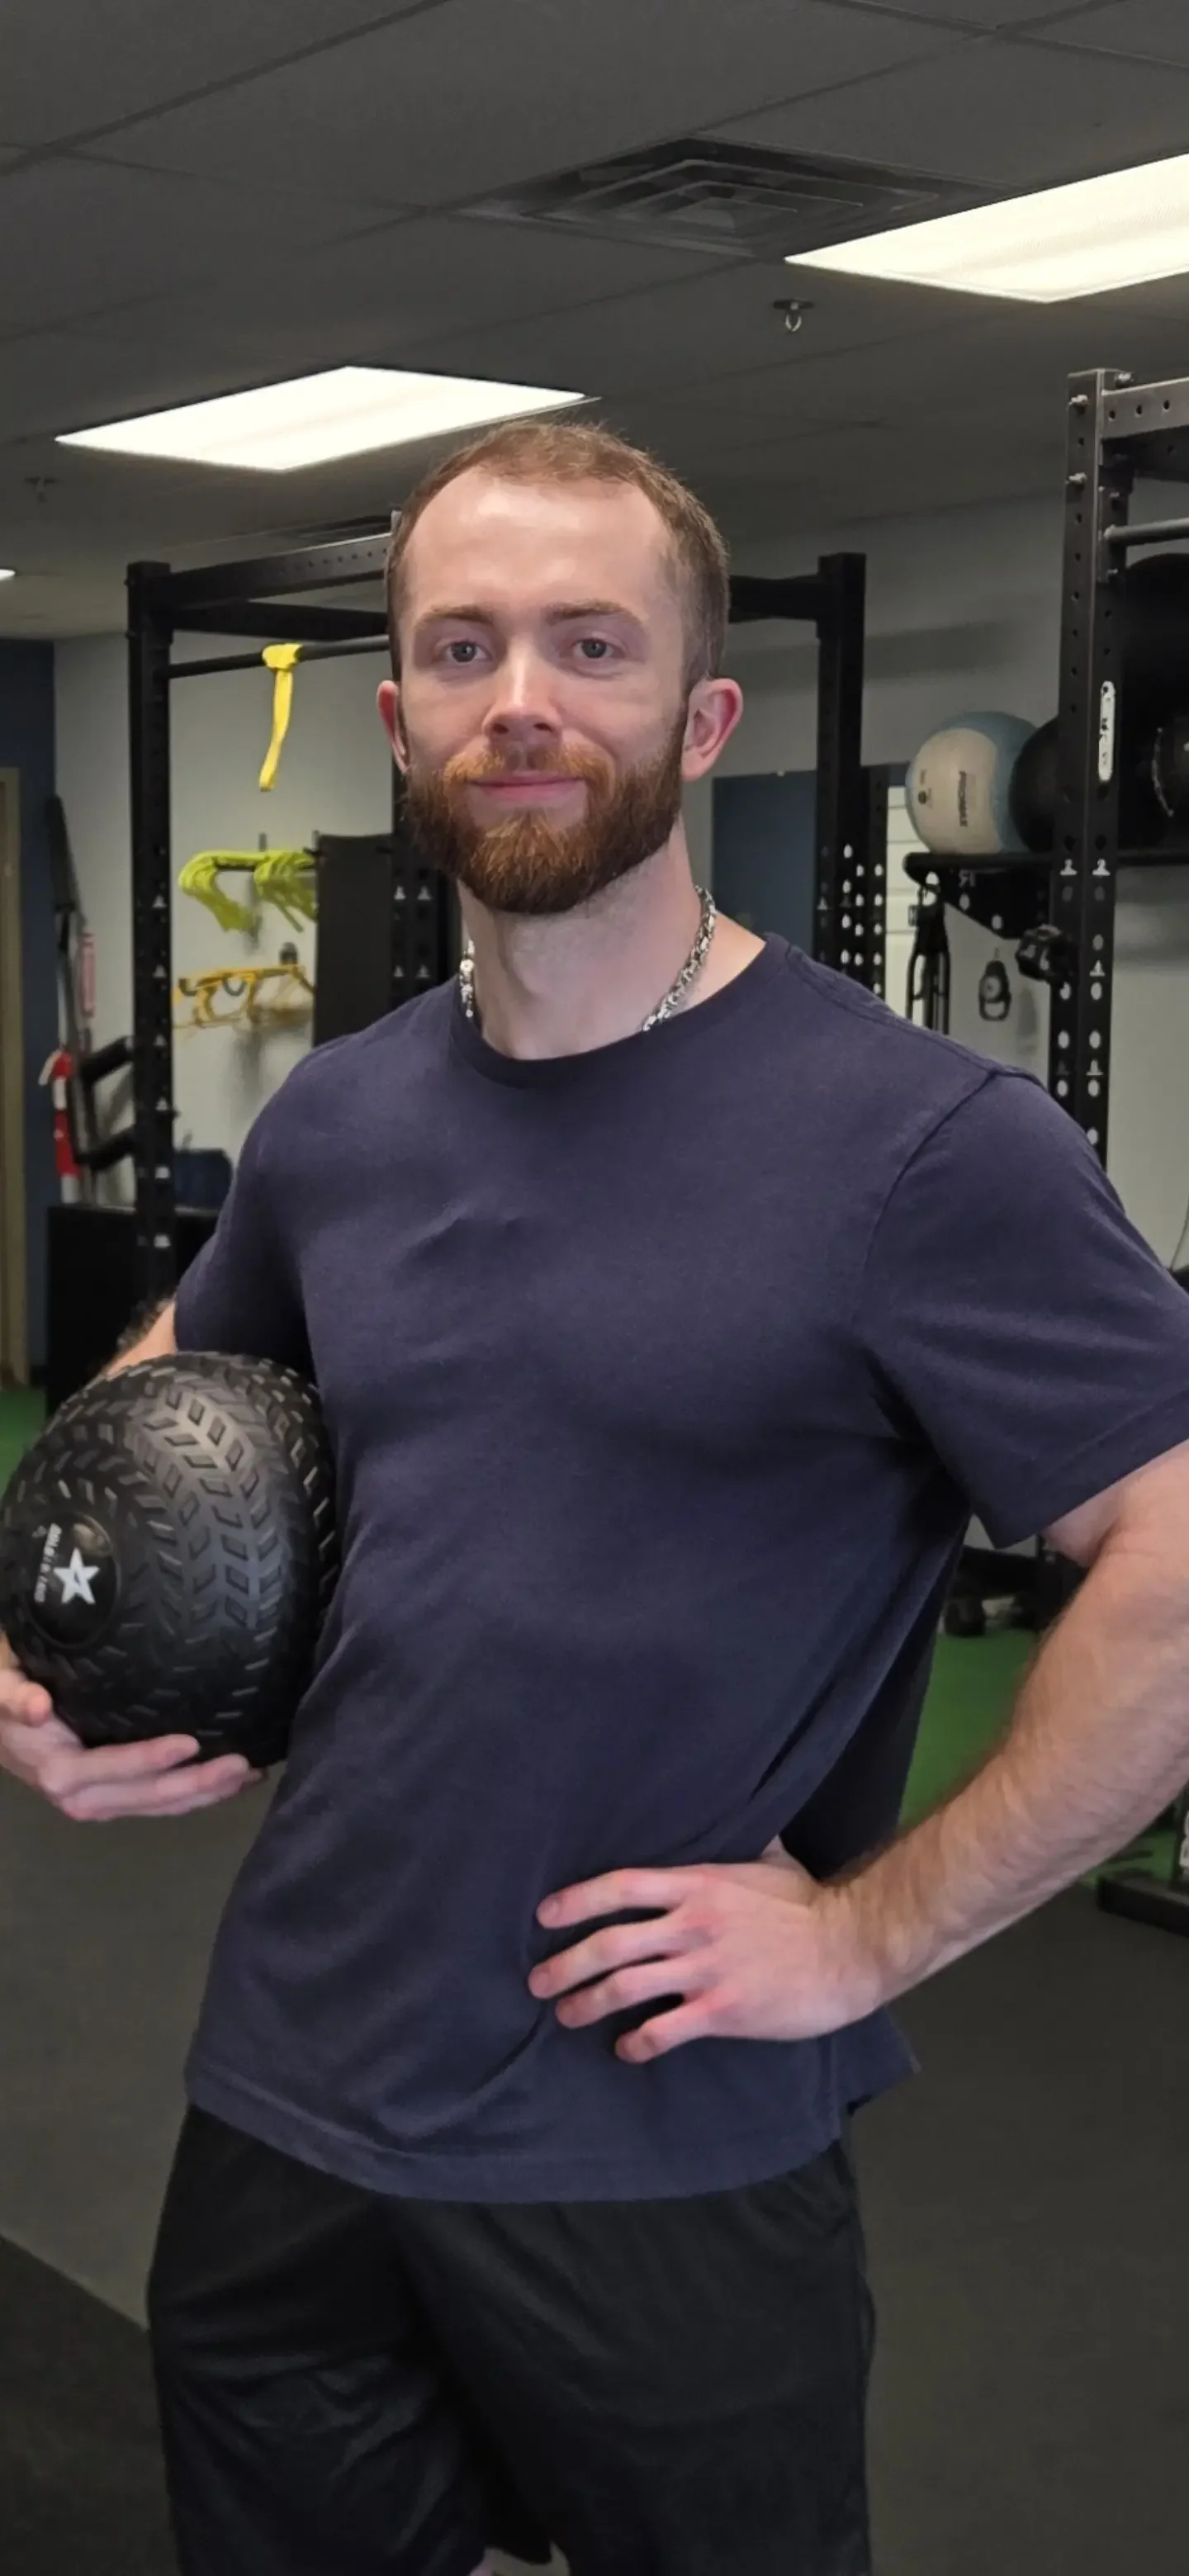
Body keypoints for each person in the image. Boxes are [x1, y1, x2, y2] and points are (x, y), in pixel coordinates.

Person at [5, 419, 1189, 2576]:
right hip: (291, 2091)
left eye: (592, 644)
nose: (523, 701)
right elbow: (184, 1373)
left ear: (699, 717)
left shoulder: (924, 1150)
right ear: (399, 722)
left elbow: (1172, 1563)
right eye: (463, 649)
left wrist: (866, 1936)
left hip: (658, 2131)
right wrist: (66, 1634)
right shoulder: (338, 1126)